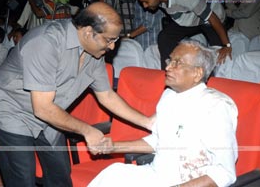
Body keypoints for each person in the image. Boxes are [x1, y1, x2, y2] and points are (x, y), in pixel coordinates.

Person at [0, 2, 154, 187]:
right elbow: (42, 108)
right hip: (12, 110)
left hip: (51, 112)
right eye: (109, 40)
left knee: (60, 174)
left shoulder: (94, 52)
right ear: (89, 32)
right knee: (22, 177)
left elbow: (107, 96)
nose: (113, 47)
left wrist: (147, 122)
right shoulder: (45, 42)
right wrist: (87, 130)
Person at [89, 40, 238, 187]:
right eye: (170, 60)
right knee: (113, 174)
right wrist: (113, 147)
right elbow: (159, 141)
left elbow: (224, 172)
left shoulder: (217, 107)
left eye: (177, 63)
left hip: (188, 182)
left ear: (197, 73)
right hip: (156, 177)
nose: (167, 67)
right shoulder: (169, 96)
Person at [135, 0, 232, 70]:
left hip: (212, 18)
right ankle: (169, 72)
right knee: (164, 37)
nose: (144, 6)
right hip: (190, 19)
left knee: (218, 52)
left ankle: (212, 82)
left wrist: (226, 45)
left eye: (146, 1)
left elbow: (212, 17)